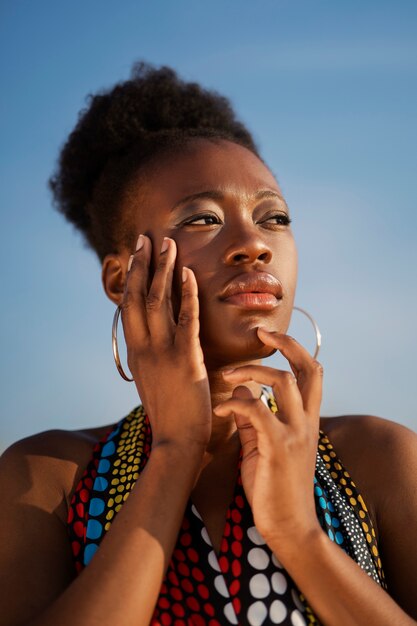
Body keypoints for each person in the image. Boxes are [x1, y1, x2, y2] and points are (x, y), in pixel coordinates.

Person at [0, 61, 416, 626]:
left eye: (274, 218)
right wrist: (175, 451)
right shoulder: (48, 476)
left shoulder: (377, 458)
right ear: (122, 279)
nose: (253, 245)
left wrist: (298, 533)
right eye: (203, 218)